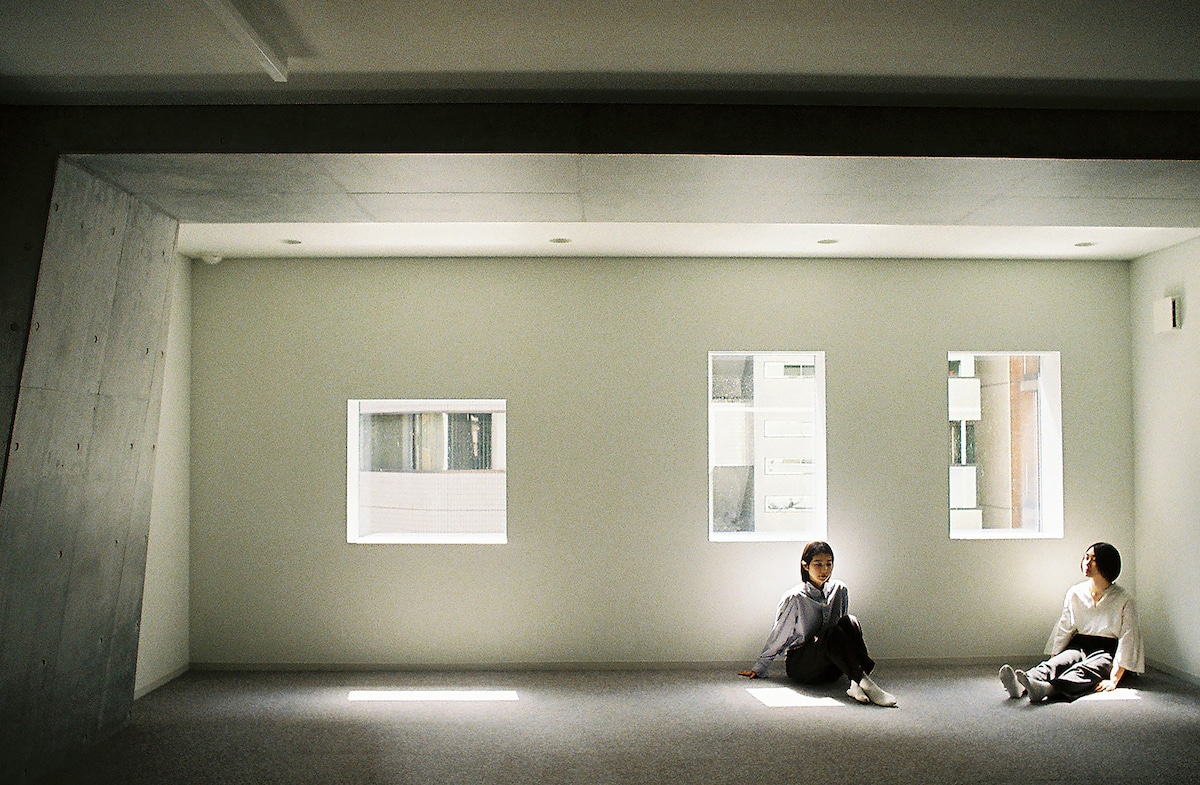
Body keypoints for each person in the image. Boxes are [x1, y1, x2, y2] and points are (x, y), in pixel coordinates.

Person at [738, 541, 897, 707]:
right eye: (818, 564)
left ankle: (855, 682)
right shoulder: (795, 597)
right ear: (805, 566)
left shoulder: (840, 589)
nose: (824, 570)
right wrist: (760, 666)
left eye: (829, 564)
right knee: (830, 632)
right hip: (803, 667)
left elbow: (844, 634)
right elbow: (780, 633)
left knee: (850, 621)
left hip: (831, 667)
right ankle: (866, 684)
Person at [999, 542, 1144, 702]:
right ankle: (1022, 684)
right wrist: (1055, 657)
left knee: (1084, 670)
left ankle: (1048, 689)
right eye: (1086, 557)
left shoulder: (1125, 599)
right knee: (1056, 664)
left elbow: (1128, 639)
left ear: (1107, 564)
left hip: (1108, 650)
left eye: (1093, 559)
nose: (1087, 563)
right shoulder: (1075, 592)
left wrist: (1114, 679)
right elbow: (1065, 627)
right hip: (1080, 644)